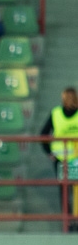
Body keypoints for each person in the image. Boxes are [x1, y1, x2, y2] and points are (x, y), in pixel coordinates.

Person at [39, 87, 78, 231]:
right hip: (73, 158)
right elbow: (43, 134)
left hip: (61, 158)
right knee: (72, 189)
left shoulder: (55, 113)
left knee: (64, 189)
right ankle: (73, 220)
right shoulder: (56, 113)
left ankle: (68, 221)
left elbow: (43, 134)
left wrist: (49, 152)